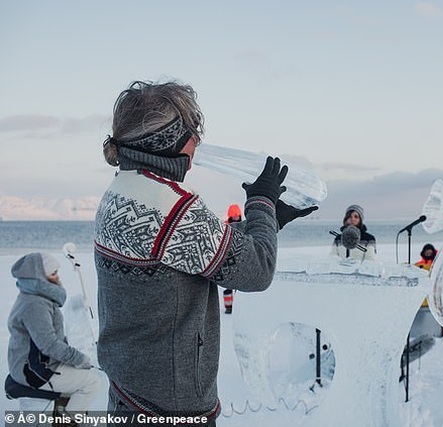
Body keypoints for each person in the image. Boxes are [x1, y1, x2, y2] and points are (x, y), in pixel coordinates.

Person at [96, 80, 317, 424]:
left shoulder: (124, 191)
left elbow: (191, 251)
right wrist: (262, 202)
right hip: (171, 403)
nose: (198, 142)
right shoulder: (171, 207)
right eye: (193, 131)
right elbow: (257, 270)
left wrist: (271, 221)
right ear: (172, 140)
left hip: (130, 387)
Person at [7, 252, 101, 414]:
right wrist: (80, 359)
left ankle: (61, 409)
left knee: (82, 373)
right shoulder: (35, 305)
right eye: (53, 273)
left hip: (35, 363)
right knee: (92, 383)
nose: (58, 277)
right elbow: (49, 344)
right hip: (34, 371)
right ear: (39, 277)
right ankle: (68, 420)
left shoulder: (34, 296)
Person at [223, 204, 243, 314]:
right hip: (228, 259)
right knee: (229, 286)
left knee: (238, 286)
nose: (236, 218)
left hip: (239, 258)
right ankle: (229, 307)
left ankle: (236, 305)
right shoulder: (226, 227)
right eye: (234, 216)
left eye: (237, 216)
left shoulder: (241, 226)